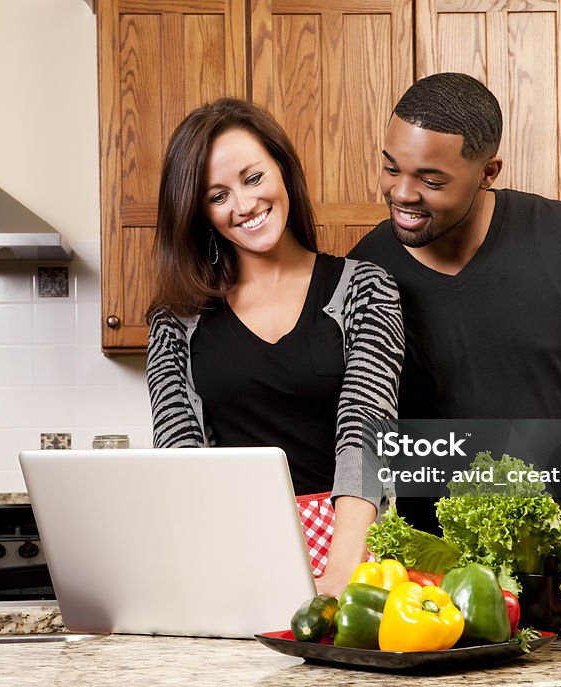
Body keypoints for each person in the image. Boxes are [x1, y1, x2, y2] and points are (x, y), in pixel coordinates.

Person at [349, 73, 561, 532]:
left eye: (431, 179)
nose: (402, 193)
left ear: (488, 173)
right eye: (390, 168)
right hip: (434, 572)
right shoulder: (365, 271)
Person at [146, 98, 405, 595]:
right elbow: (181, 461)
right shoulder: (173, 320)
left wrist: (341, 575)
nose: (243, 205)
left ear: (282, 169)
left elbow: (366, 429)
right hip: (233, 556)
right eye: (217, 195)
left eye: (252, 178)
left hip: (356, 548)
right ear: (199, 213)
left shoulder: (366, 287)